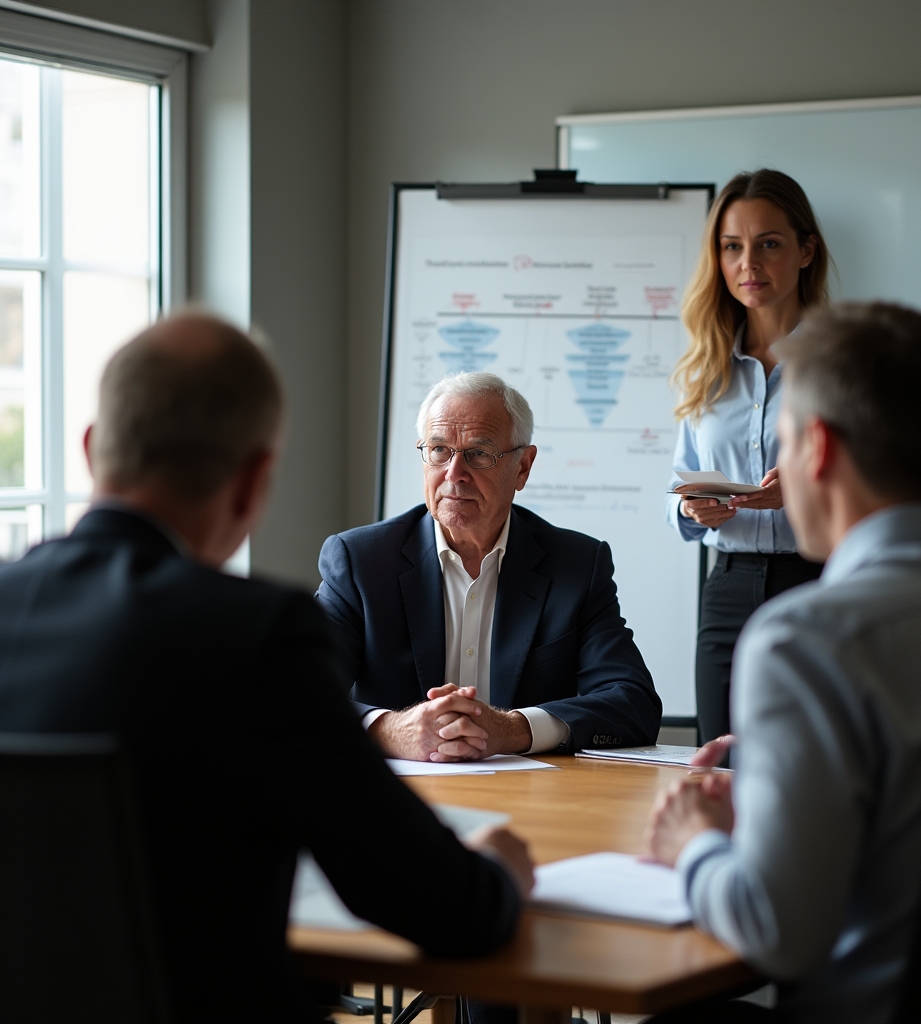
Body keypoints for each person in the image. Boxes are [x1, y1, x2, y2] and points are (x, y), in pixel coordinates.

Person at [0, 313, 532, 1023]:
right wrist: (497, 868)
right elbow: (437, 905)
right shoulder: (258, 636)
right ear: (254, 482)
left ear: (94, 450)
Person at [643, 303, 921, 1023]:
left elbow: (777, 934)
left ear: (819, 450)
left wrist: (696, 844)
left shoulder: (806, 640)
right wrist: (794, 765)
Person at [315, 371, 661, 762]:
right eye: (439, 450)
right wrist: (392, 730)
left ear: (523, 468)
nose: (454, 474)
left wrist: (512, 729)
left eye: (479, 453)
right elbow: (295, 690)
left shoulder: (577, 565)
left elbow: (633, 703)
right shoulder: (361, 560)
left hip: (532, 801)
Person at [667, 169, 833, 743]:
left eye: (768, 244)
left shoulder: (842, 362)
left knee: (808, 761)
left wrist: (805, 489)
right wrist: (692, 510)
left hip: (818, 581)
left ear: (806, 250)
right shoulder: (705, 366)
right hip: (728, 587)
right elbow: (678, 482)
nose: (748, 264)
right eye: (732, 247)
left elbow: (880, 484)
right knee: (723, 763)